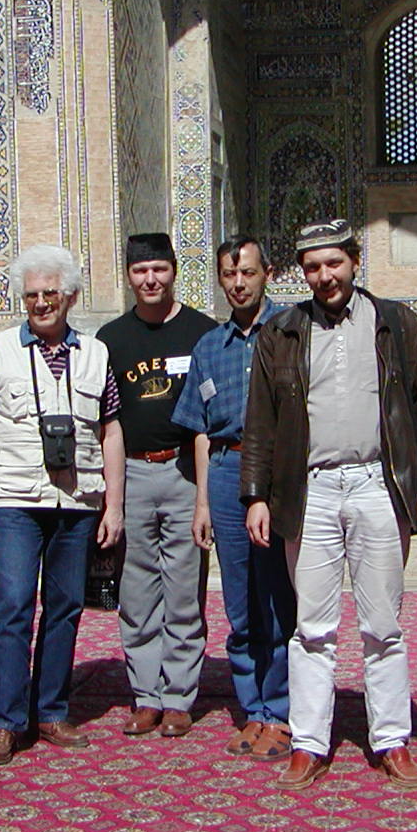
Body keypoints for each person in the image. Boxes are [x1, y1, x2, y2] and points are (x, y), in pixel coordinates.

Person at [241, 219, 417, 791]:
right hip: (312, 490)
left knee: (383, 624)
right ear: (301, 273)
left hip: (378, 484)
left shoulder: (397, 325)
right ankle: (308, 741)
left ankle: (390, 740)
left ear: (355, 261)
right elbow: (261, 423)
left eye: (334, 263)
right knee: (311, 628)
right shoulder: (282, 332)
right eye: (313, 267)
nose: (324, 276)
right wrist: (256, 494)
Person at [0, 245, 126, 766]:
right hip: (14, 499)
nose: (40, 303)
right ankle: (6, 722)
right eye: (30, 294)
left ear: (71, 296)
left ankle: (51, 709)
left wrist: (113, 505)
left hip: (76, 501)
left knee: (65, 608)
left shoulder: (95, 354)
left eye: (49, 293)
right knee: (9, 606)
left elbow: (110, 430)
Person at [172, 235, 294, 762]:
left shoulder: (292, 331)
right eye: (229, 274)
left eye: (247, 271)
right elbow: (200, 430)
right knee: (241, 602)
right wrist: (202, 501)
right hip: (224, 470)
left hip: (277, 470)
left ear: (266, 272)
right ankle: (254, 711)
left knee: (279, 597)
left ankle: (284, 710)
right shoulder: (209, 346)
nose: (238, 283)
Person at [95, 232, 217, 737]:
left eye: (159, 270)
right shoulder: (111, 340)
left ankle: (179, 695)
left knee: (184, 589)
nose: (150, 280)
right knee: (138, 588)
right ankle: (145, 693)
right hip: (135, 474)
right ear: (129, 275)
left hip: (186, 471)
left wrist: (205, 498)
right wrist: (113, 500)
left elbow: (211, 421)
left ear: (173, 271)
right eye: (141, 271)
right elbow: (107, 424)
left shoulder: (202, 333)